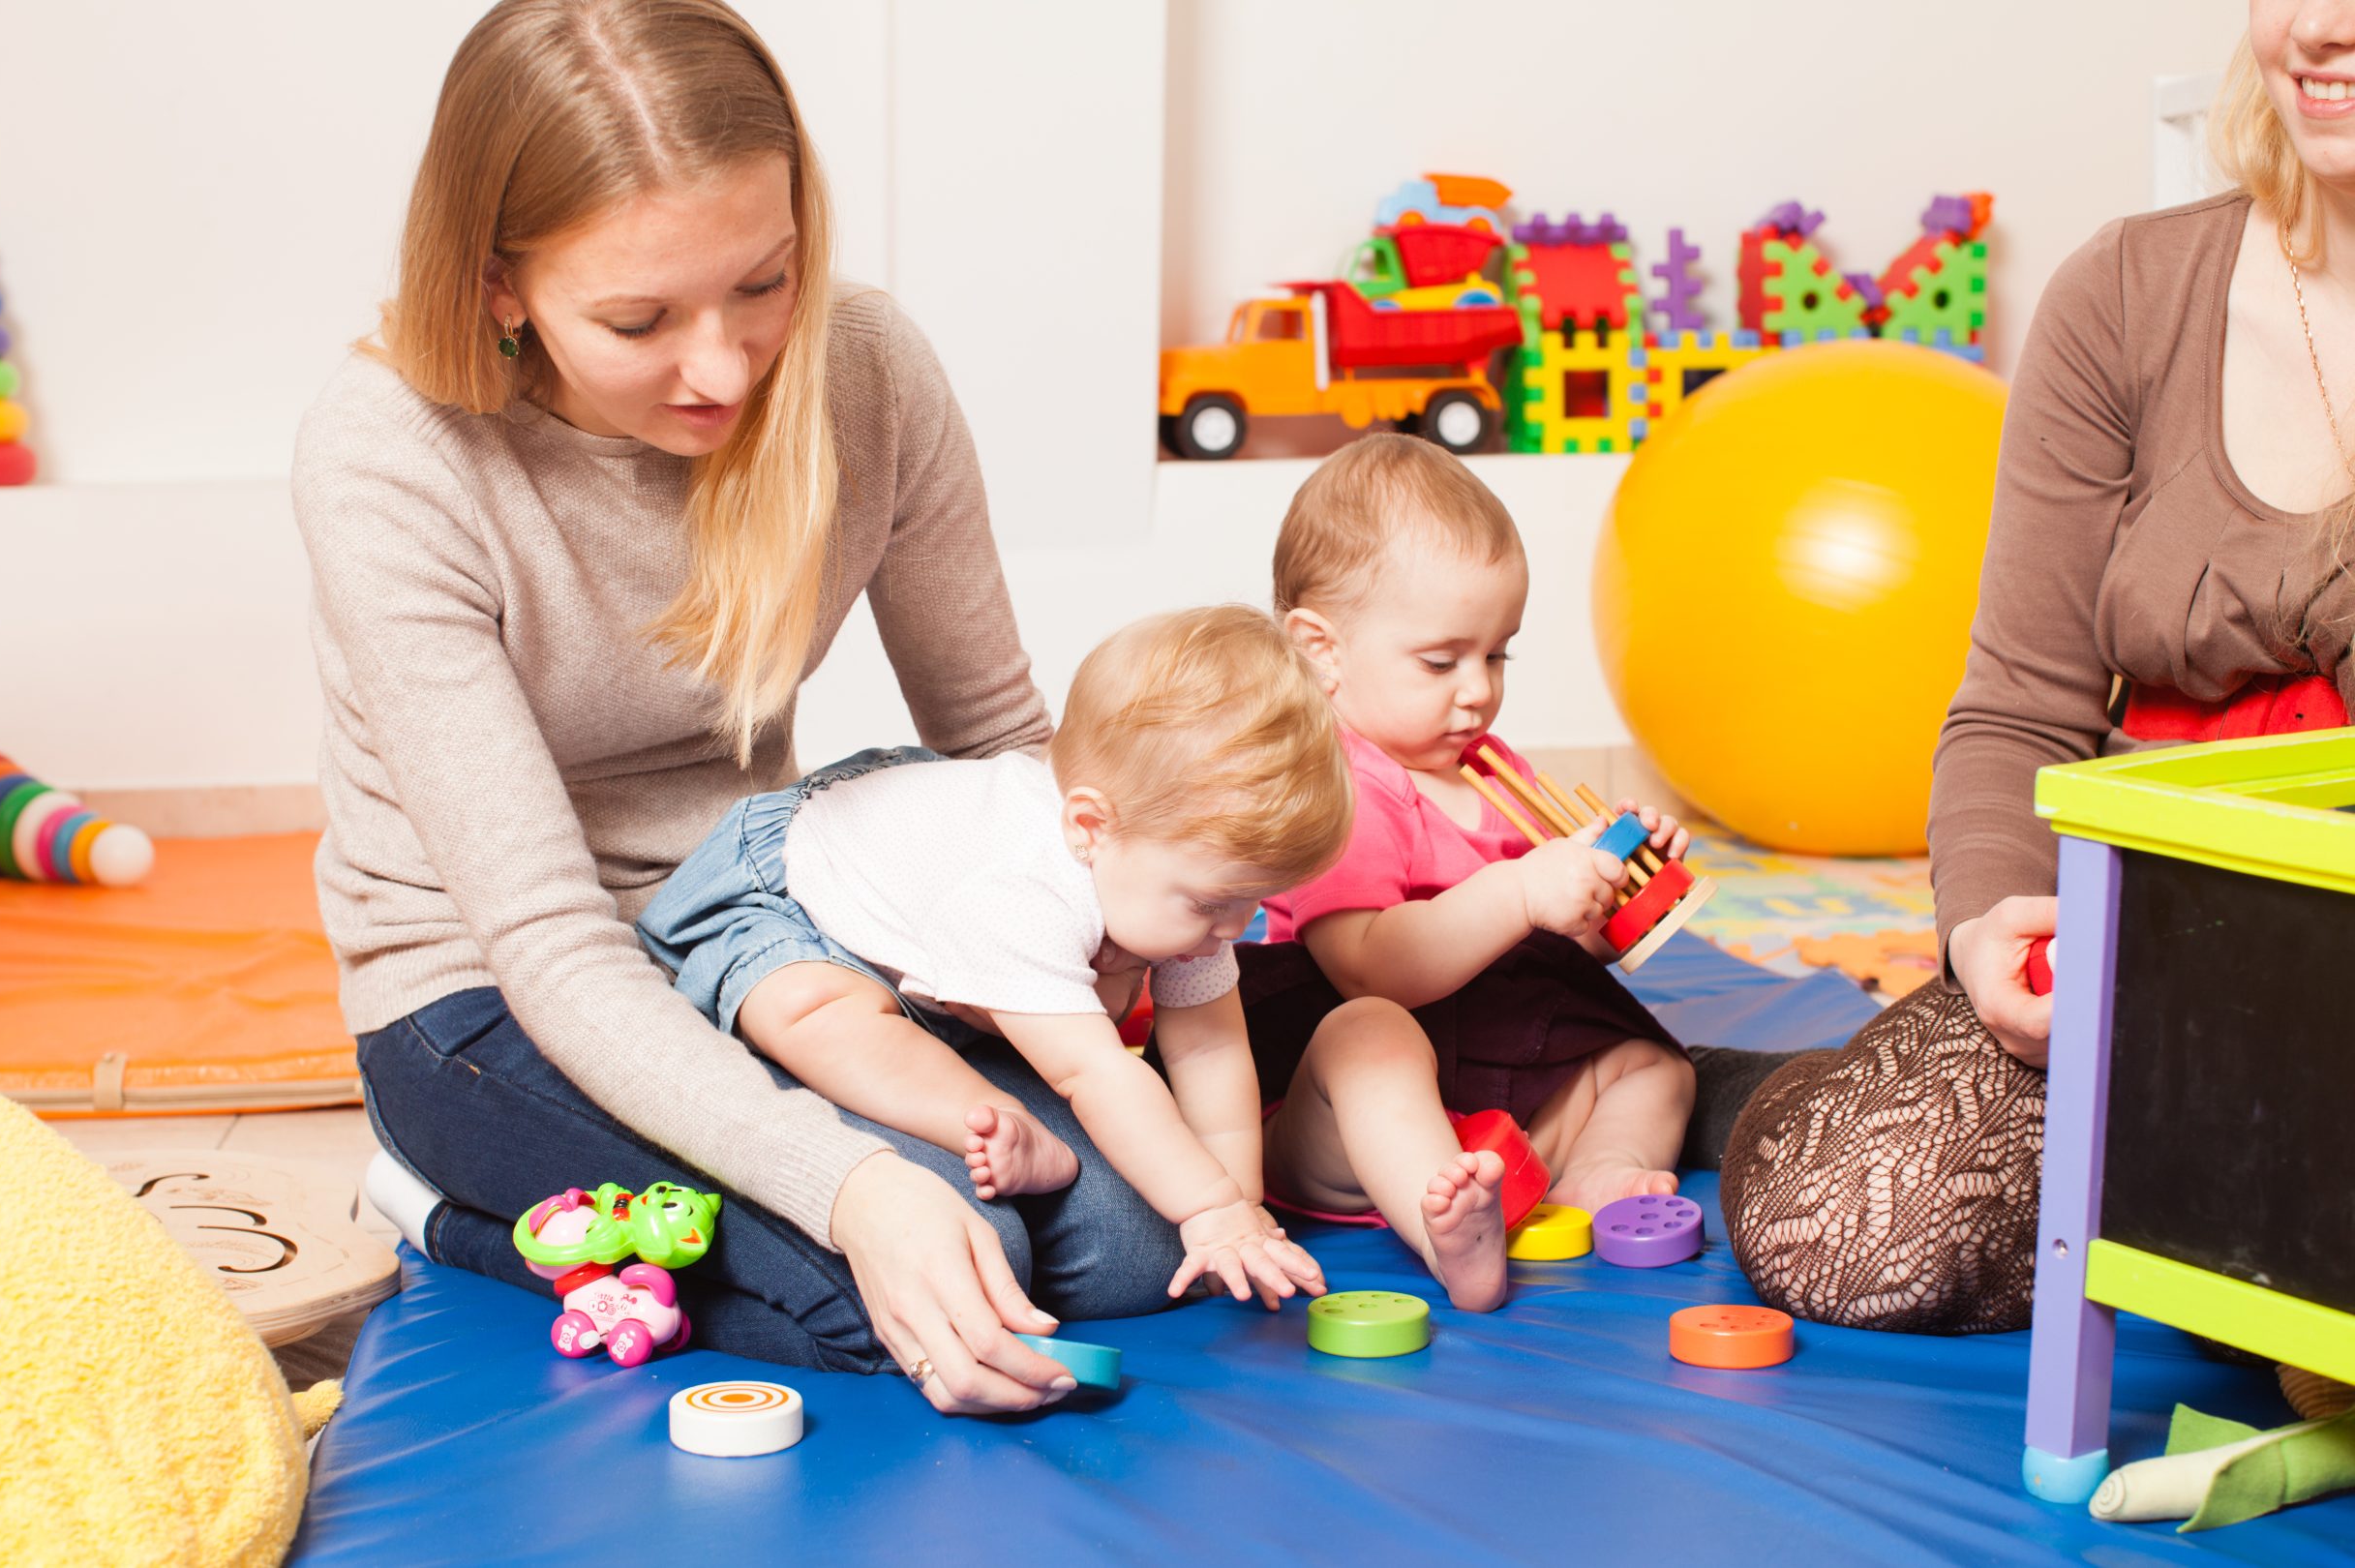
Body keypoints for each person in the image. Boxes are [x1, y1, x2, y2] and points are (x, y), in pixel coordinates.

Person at [293, 0, 1181, 1415]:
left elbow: (999, 735)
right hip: (482, 992)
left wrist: (1100, 931)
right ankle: (445, 1205)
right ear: (497, 285)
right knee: (903, 1287)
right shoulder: (391, 455)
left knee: (1131, 1238)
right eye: (638, 319)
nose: (722, 370)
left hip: (756, 928)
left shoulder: (867, 370)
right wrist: (845, 1184)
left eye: (762, 286)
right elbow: (546, 939)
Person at [1720, 1, 2355, 1334]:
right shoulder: (2125, 295)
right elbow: (2016, 708)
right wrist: (1993, 921)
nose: (2318, 25)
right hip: (2152, 951)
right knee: (1836, 1224)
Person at [637, 606, 1342, 1309]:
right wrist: (1205, 1206)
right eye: (1213, 903)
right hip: (791, 905)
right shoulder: (1023, 891)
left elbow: (1212, 1055)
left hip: (933, 957)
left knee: (1150, 1237)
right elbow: (1092, 1074)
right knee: (811, 1010)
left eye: (1255, 900)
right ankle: (986, 1115)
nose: (1234, 927)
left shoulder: (1188, 894)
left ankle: (997, 1105)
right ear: (1091, 827)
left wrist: (1239, 1209)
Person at [1243, 434, 1695, 1312]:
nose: (1478, 690)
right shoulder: (1334, 784)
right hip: (1342, 1121)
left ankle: (1598, 1170)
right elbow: (1367, 966)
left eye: (1498, 655)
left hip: (1498, 1083)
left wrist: (1611, 889)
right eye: (1442, 661)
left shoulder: (1492, 767)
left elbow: (1564, 951)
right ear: (1320, 650)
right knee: (1365, 1032)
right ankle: (1442, 1223)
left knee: (1656, 1066)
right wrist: (1520, 892)